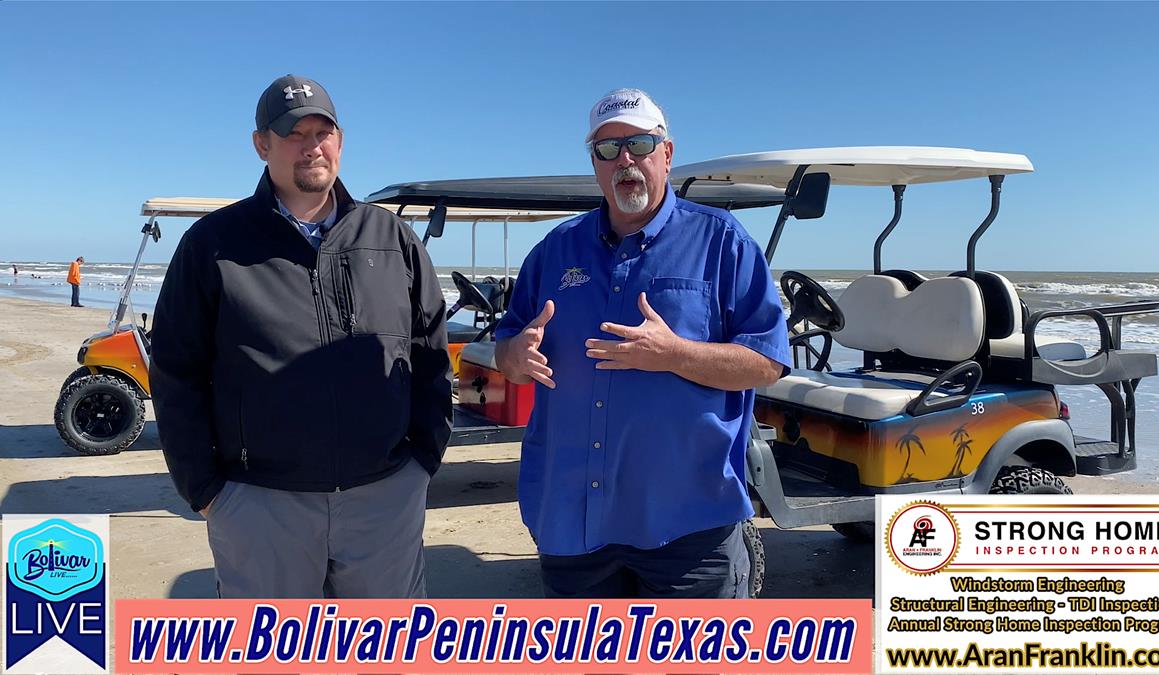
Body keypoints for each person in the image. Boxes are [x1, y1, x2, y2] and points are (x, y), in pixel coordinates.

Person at [149, 74, 452, 599]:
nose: (311, 147)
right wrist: (206, 490)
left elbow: (429, 354)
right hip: (261, 505)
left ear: (340, 141)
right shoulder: (213, 244)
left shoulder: (391, 238)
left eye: (322, 132)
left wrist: (422, 462)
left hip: (383, 501)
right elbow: (176, 373)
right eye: (293, 134)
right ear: (261, 144)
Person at [493, 88, 790, 598]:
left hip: (688, 525)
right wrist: (515, 356)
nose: (624, 159)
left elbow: (767, 362)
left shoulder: (722, 242)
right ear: (594, 164)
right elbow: (506, 348)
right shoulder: (554, 250)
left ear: (667, 154)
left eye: (639, 144)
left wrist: (675, 354)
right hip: (573, 520)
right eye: (608, 150)